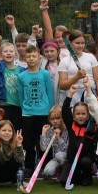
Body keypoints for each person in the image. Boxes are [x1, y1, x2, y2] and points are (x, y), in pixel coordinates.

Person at [18, 45, 56, 174]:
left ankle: (46, 165)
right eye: (28, 56)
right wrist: (25, 109)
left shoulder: (45, 74)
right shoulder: (21, 76)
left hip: (44, 113)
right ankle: (29, 166)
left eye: (34, 56)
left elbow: (50, 92)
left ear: (39, 58)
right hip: (28, 114)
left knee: (44, 140)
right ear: (24, 58)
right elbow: (21, 95)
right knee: (28, 143)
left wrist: (50, 111)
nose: (31, 58)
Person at [61, 100, 97, 186]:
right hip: (72, 161)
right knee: (63, 181)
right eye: (78, 114)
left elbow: (97, 112)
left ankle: (87, 176)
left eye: (83, 114)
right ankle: (78, 175)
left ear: (88, 114)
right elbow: (65, 110)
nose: (80, 116)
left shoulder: (91, 126)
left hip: (85, 160)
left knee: (85, 162)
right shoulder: (71, 125)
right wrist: (70, 94)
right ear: (73, 115)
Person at [38, 105, 71, 182]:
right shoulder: (51, 130)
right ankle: (60, 170)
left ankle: (65, 172)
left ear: (63, 118)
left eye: (58, 118)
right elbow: (43, 148)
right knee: (47, 172)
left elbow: (66, 149)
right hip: (58, 158)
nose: (55, 121)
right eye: (52, 119)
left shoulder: (69, 129)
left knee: (59, 155)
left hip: (69, 158)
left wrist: (59, 138)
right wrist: (43, 134)